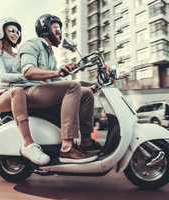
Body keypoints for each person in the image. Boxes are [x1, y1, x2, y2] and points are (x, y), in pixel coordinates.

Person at [12, 14, 102, 164]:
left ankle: (86, 141)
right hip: (26, 92)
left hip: (41, 92)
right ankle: (67, 147)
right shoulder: (32, 44)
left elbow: (58, 81)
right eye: (56, 29)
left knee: (85, 93)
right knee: (73, 87)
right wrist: (57, 72)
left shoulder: (51, 55)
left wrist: (84, 88)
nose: (60, 33)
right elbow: (28, 71)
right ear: (46, 30)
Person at [0, 18, 50, 165]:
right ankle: (28, 144)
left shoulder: (18, 55)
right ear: (1, 32)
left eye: (17, 31)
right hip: (2, 97)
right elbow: (2, 76)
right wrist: (26, 74)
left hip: (19, 93)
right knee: (17, 91)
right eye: (11, 30)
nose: (15, 33)